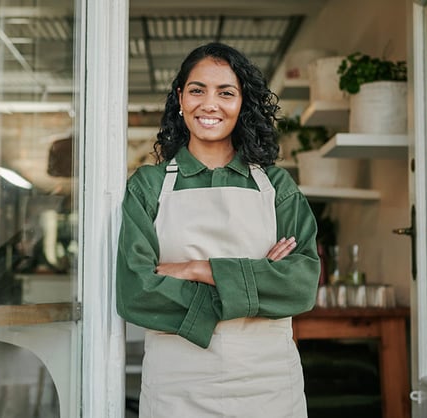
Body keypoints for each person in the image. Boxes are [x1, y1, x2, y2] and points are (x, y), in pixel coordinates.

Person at [116, 42, 321, 417]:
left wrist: (196, 269)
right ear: (180, 98)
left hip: (268, 384)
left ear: (242, 103)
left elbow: (301, 283)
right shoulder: (147, 186)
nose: (209, 104)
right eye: (197, 90)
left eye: (226, 92)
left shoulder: (277, 187)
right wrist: (256, 279)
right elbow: (135, 291)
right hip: (177, 386)